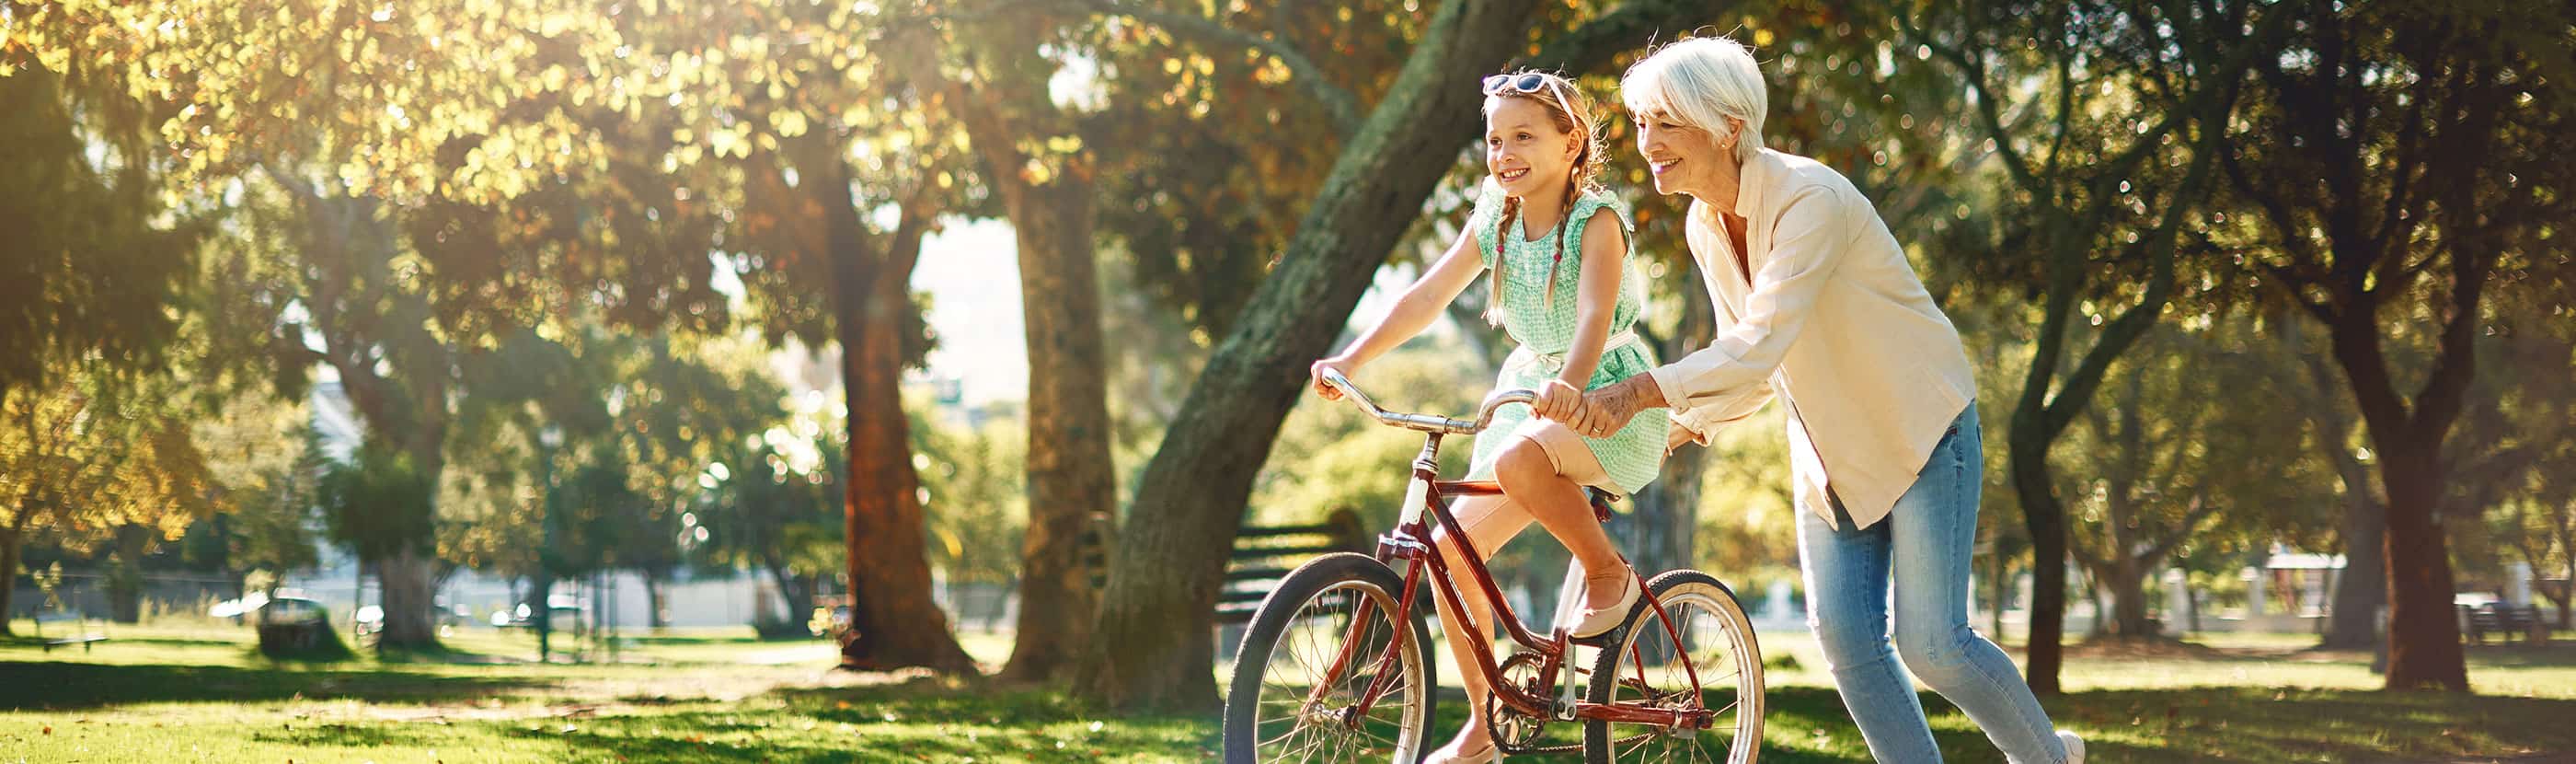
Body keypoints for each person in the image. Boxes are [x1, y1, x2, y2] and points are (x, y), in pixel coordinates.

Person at [1551, 37, 2087, 763]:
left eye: (1665, 123)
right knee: (1848, 646)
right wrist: (1657, 438)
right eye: (1642, 123)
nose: (1646, 143)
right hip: (1828, 453)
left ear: (1727, 125)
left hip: (1920, 429)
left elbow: (1760, 340)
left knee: (1934, 646)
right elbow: (1747, 365)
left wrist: (1637, 393)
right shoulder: (1704, 223)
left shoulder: (1811, 198)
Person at [1306, 69, 1665, 763]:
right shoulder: (1495, 218)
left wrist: (1572, 384)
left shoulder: (1599, 221)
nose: (1505, 153)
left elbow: (1594, 315)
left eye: (1525, 136)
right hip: (1531, 388)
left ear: (1572, 142)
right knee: (1448, 556)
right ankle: (1485, 723)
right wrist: (1350, 360)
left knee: (1519, 458)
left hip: (1605, 389)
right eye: (1495, 139)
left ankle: (1607, 572)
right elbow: (1424, 297)